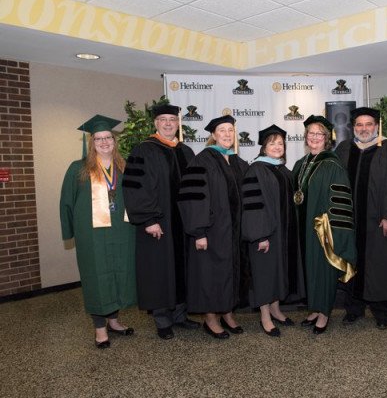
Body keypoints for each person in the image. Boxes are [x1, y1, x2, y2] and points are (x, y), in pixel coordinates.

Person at [122, 104, 199, 340]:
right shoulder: (143, 150)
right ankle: (162, 320)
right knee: (158, 270)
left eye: (172, 120)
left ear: (178, 124)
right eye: (163, 120)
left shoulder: (185, 151)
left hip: (183, 223)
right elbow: (135, 188)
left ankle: (180, 314)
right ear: (155, 123)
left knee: (182, 268)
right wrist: (148, 219)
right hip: (158, 222)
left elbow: (196, 189)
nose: (168, 124)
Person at [60, 115, 136, 349]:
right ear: (91, 143)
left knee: (118, 275)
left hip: (122, 231)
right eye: (98, 139)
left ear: (114, 141)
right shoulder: (78, 169)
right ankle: (100, 329)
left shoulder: (125, 167)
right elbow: (66, 202)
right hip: (91, 235)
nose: (104, 142)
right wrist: (69, 231)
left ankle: (114, 321)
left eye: (108, 138)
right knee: (97, 278)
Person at [335, 107, 387, 330]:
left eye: (369, 124)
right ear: (353, 127)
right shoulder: (344, 148)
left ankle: (382, 312)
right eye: (359, 124)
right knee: (352, 262)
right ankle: (353, 308)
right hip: (350, 222)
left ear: (377, 126)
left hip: (378, 221)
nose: (364, 129)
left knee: (380, 265)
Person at [178, 115, 250, 339]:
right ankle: (210, 318)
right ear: (213, 135)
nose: (227, 134)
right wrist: (199, 232)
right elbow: (193, 197)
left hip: (233, 232)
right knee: (211, 275)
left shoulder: (237, 162)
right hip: (211, 231)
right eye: (222, 130)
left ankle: (227, 312)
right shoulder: (203, 160)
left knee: (229, 273)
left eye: (230, 130)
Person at [292, 115, 357, 335]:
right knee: (309, 270)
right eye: (310, 133)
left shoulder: (332, 164)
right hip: (304, 229)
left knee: (323, 270)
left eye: (319, 134)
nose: (314, 137)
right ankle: (314, 309)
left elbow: (340, 202)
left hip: (323, 229)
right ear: (305, 137)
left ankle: (324, 313)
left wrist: (331, 230)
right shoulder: (300, 164)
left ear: (327, 138)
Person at [241, 124, 305, 337]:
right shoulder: (256, 170)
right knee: (265, 274)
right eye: (272, 143)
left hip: (282, 234)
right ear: (263, 147)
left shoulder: (282, 169)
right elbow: (252, 205)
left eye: (280, 143)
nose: (277, 147)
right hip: (266, 234)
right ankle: (265, 316)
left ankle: (276, 309)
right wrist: (260, 235)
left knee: (278, 272)